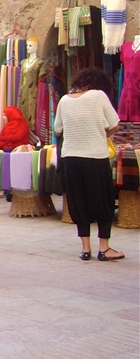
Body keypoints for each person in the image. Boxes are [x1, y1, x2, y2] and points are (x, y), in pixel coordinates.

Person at [54, 67, 124, 261]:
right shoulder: (99, 96)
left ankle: (86, 249)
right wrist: (103, 135)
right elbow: (114, 124)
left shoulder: (64, 100)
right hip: (94, 157)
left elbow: (57, 129)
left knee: (79, 201)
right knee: (103, 200)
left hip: (70, 158)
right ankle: (104, 248)